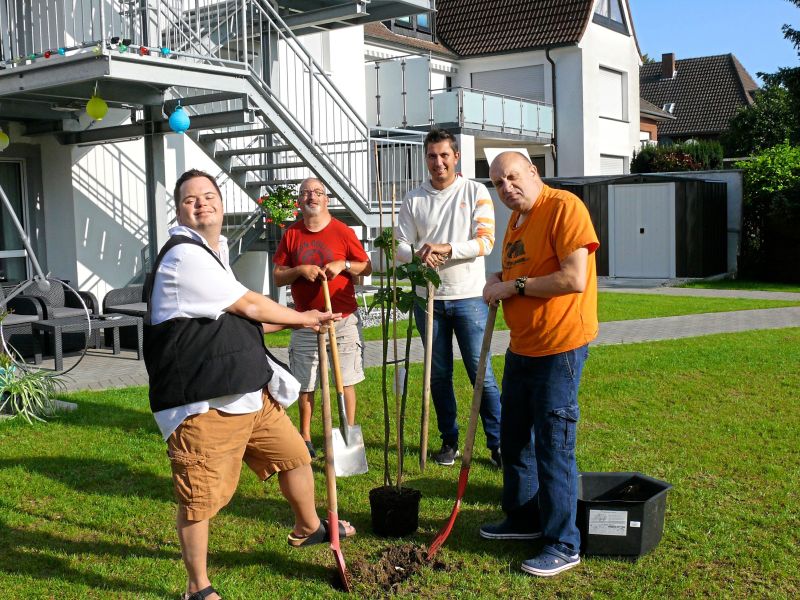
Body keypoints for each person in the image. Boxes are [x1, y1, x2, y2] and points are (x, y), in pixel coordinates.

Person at [144, 169, 356, 600]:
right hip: (204, 402)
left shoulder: (214, 251)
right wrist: (304, 317)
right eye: (190, 199)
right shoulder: (184, 256)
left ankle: (308, 526)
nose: (201, 204)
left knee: (295, 455)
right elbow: (249, 304)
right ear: (180, 211)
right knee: (200, 498)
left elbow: (237, 317)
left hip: (247, 392)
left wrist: (288, 324)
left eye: (208, 196)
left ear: (221, 204)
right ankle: (197, 587)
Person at [480, 151, 599, 577]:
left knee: (554, 446)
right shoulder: (517, 220)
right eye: (498, 183)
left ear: (534, 172)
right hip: (523, 347)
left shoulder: (563, 207)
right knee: (514, 441)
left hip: (559, 348)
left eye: (513, 178)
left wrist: (513, 286)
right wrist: (498, 279)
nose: (507, 188)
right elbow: (519, 269)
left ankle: (564, 543)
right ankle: (523, 519)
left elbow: (573, 278)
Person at [396, 128, 502, 467]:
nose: (438, 162)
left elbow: (485, 242)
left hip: (469, 296)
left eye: (444, 155)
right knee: (437, 374)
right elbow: (399, 247)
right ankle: (448, 441)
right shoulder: (414, 198)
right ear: (425, 159)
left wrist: (447, 248)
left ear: (456, 156)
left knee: (479, 373)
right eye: (432, 156)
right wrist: (418, 254)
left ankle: (498, 443)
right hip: (427, 299)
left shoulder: (475, 191)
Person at [273, 177, 372, 458]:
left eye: (317, 192)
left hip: (343, 319)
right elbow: (278, 276)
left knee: (346, 379)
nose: (311, 197)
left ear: (326, 199)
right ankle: (305, 437)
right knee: (306, 382)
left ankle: (348, 435)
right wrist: (299, 270)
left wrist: (344, 264)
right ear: (299, 201)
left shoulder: (342, 231)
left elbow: (366, 267)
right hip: (305, 321)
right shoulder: (292, 234)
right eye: (305, 193)